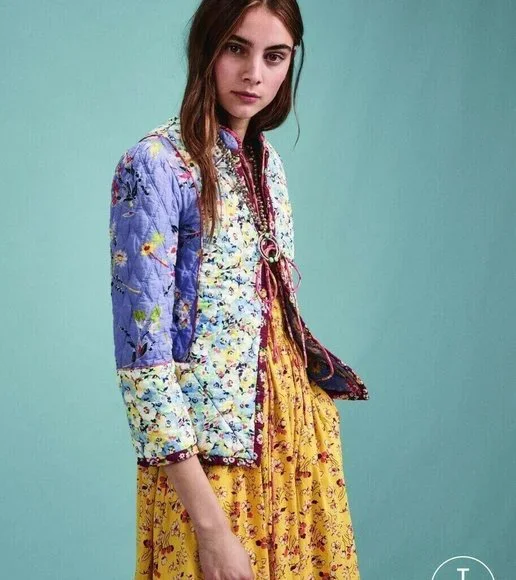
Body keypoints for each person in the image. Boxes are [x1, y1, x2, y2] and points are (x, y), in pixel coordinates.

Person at [109, 0, 369, 577]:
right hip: (211, 465)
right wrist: (210, 528)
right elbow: (142, 362)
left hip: (295, 446)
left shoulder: (268, 162)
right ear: (205, 47)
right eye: (236, 48)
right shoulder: (155, 166)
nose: (254, 74)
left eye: (275, 56)